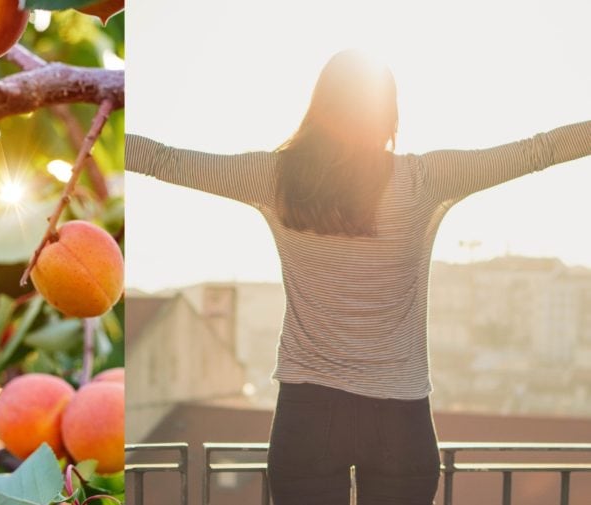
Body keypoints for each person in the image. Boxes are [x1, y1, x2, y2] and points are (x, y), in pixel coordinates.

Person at [125, 49, 591, 504]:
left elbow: (167, 161)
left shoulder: (277, 177)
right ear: (387, 111)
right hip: (399, 421)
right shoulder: (423, 178)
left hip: (308, 416)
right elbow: (539, 150)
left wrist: (84, 113)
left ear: (321, 107)